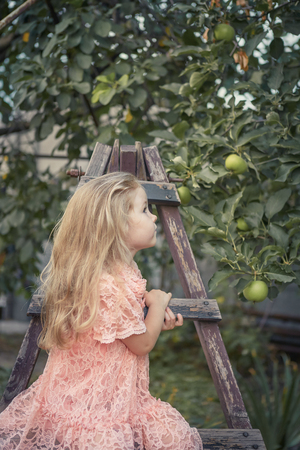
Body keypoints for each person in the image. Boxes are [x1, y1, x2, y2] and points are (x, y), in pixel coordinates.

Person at [0, 172, 202, 450]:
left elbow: (120, 328)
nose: (154, 217)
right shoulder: (110, 285)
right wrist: (157, 305)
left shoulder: (115, 274)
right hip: (94, 409)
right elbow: (141, 344)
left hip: (113, 401)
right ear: (116, 225)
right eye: (144, 209)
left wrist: (150, 319)